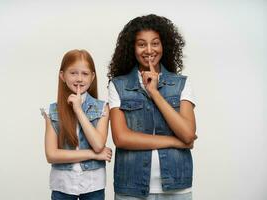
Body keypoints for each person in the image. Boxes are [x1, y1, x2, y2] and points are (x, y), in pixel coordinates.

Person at [108, 14, 197, 200]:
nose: (149, 50)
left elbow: (188, 133)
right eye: (141, 44)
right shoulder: (118, 85)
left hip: (176, 188)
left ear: (164, 45)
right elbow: (121, 138)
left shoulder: (181, 84)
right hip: (131, 188)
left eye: (155, 43)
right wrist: (174, 141)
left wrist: (155, 93)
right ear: (132, 48)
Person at [41, 49, 112, 200]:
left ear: (92, 77)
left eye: (85, 74)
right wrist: (92, 154)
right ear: (62, 76)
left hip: (93, 185)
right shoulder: (51, 111)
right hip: (63, 185)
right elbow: (52, 155)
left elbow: (99, 144)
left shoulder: (102, 108)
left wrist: (78, 110)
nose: (79, 78)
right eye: (73, 73)